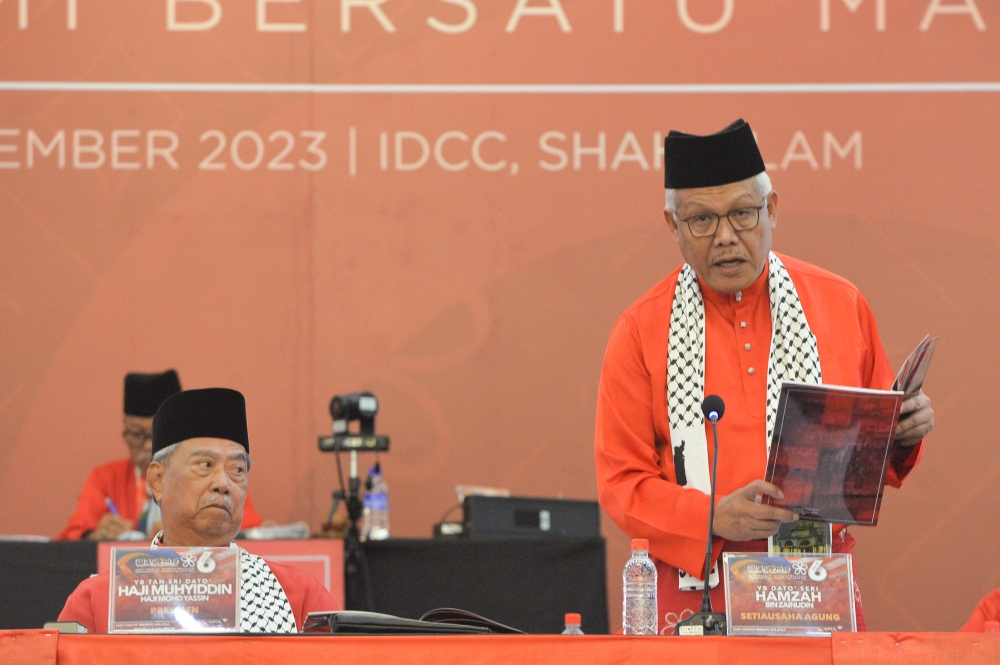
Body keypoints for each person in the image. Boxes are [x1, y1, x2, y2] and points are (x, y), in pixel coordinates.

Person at [594, 119, 935, 633]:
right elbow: (621, 483)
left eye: (742, 214)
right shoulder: (640, 329)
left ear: (771, 209)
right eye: (702, 220)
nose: (725, 237)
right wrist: (711, 518)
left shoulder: (840, 304)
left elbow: (872, 459)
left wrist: (902, 433)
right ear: (673, 226)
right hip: (695, 598)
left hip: (814, 588)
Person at [59, 388, 337, 632]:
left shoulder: (299, 598)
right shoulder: (96, 603)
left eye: (237, 470)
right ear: (158, 480)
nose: (223, 483)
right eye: (205, 465)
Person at [57, 370, 263, 540]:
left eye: (155, 436)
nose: (148, 445)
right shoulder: (105, 478)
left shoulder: (222, 475)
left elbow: (252, 534)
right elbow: (68, 542)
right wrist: (96, 536)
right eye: (137, 434)